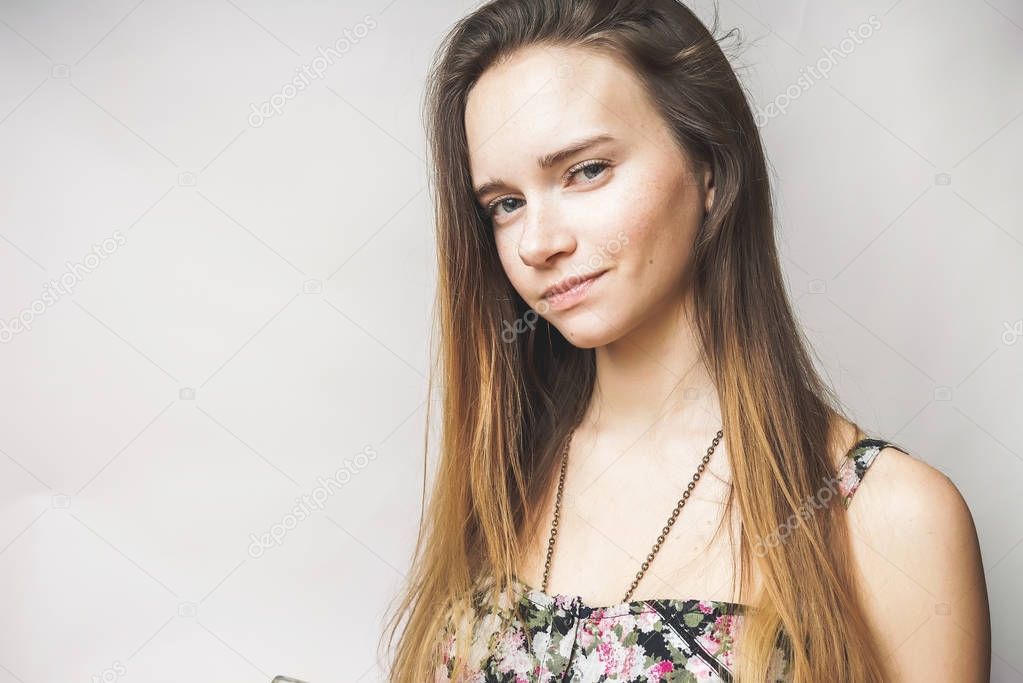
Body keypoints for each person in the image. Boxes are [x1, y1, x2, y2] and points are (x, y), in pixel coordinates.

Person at [382, 1, 991, 680]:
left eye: (585, 170)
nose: (537, 243)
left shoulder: (888, 518)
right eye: (505, 203)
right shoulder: (502, 479)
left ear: (707, 166)